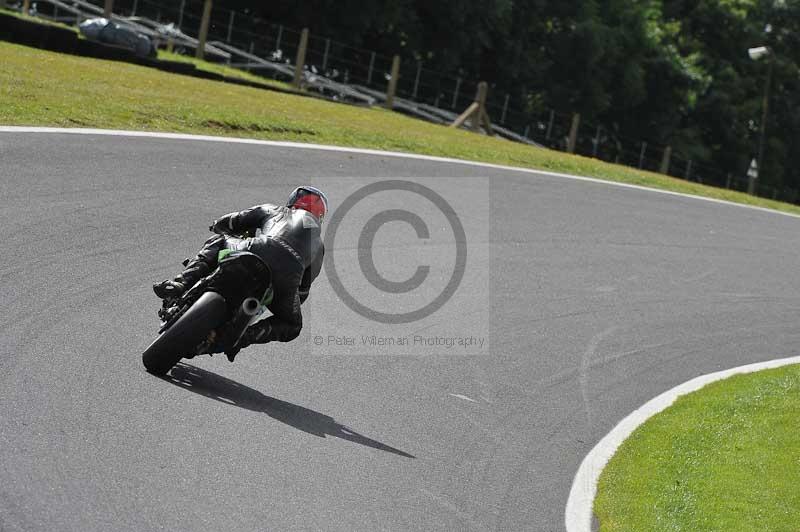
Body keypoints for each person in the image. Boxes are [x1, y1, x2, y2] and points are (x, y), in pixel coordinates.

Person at [153, 186, 327, 360]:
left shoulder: (275, 210)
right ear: (321, 216)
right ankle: (244, 337)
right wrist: (284, 298)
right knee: (292, 325)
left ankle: (181, 282)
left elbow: (233, 221)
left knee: (219, 241)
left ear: (293, 201)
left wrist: (217, 225)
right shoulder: (319, 246)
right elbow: (303, 291)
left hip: (256, 249)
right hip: (288, 276)